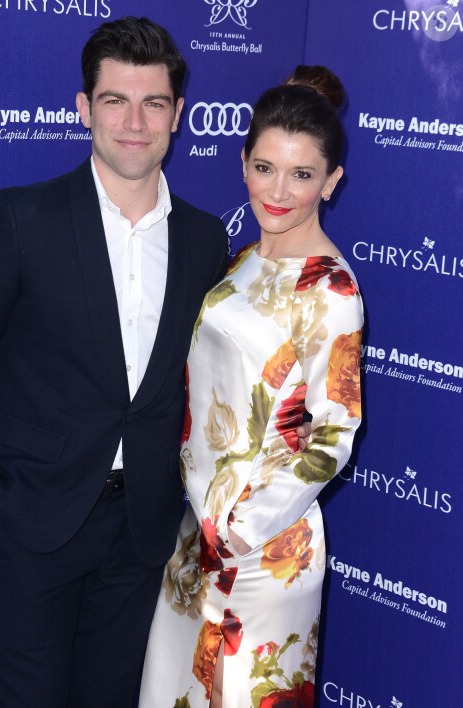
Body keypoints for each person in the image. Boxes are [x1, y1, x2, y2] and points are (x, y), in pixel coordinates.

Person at [0, 17, 230, 707]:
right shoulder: (21, 219)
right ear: (83, 108)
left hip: (141, 534)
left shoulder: (206, 241)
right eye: (115, 100)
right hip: (31, 529)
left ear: (178, 115)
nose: (134, 121)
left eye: (153, 102)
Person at [139, 66, 363, 708]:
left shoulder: (332, 290)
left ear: (331, 181)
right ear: (242, 162)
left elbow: (332, 434)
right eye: (265, 167)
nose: (279, 191)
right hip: (193, 537)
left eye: (302, 174)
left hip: (265, 551)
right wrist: (202, 523)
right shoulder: (240, 261)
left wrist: (240, 529)